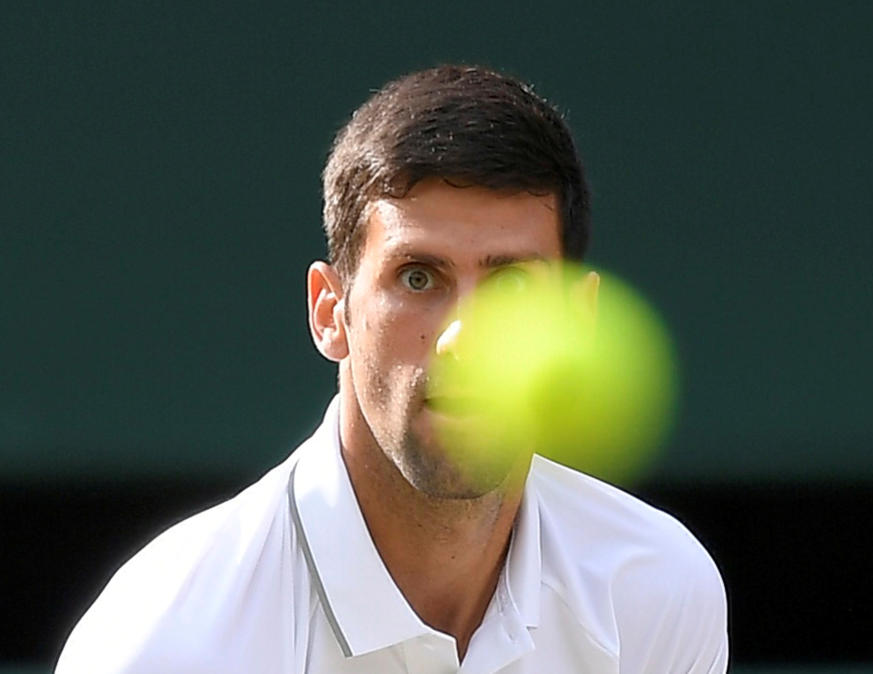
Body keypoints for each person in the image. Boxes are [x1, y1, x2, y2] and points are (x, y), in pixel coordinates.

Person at [56, 65, 728, 673]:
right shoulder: (160, 645)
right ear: (330, 312)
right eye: (417, 276)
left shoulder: (661, 593)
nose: (463, 339)